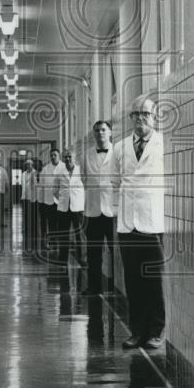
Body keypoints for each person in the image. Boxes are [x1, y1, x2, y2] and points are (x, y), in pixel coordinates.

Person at [115, 94, 166, 351]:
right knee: (133, 281)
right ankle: (137, 332)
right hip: (127, 224)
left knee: (153, 280)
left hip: (152, 221)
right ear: (130, 118)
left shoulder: (163, 143)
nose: (140, 119)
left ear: (154, 117)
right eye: (136, 114)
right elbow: (114, 180)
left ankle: (155, 331)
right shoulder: (121, 146)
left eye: (145, 114)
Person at [83, 119, 119, 294]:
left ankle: (114, 286)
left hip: (112, 211)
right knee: (93, 252)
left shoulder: (118, 152)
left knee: (115, 251)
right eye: (97, 130)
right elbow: (84, 179)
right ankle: (94, 287)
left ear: (110, 132)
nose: (100, 133)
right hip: (93, 210)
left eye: (103, 130)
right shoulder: (87, 154)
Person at [55, 149, 86, 267]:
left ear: (74, 158)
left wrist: (81, 201)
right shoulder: (60, 172)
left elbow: (86, 187)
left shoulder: (81, 171)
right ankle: (62, 258)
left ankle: (82, 258)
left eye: (70, 157)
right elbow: (55, 190)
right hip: (63, 207)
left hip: (78, 207)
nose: (67, 159)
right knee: (63, 234)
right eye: (66, 157)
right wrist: (63, 200)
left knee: (80, 234)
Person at [40, 148, 63, 253]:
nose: (53, 157)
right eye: (51, 155)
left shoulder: (64, 167)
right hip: (48, 201)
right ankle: (52, 242)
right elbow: (41, 186)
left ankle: (60, 244)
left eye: (55, 155)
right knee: (51, 223)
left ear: (59, 156)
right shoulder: (45, 169)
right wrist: (41, 201)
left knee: (61, 223)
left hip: (61, 201)